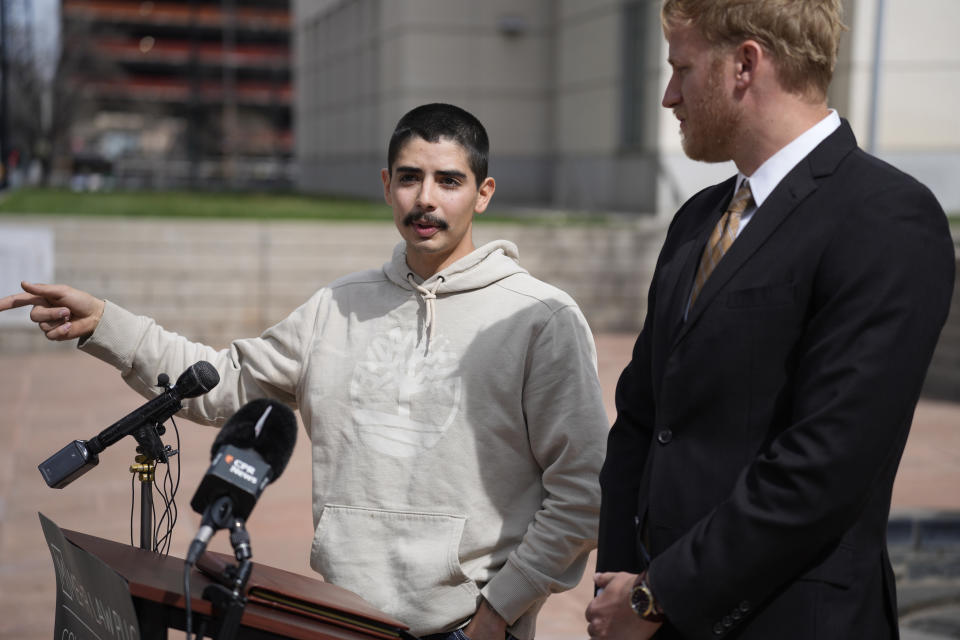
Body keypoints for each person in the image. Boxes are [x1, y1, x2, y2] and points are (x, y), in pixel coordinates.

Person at [2, 103, 609, 640]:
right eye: (409, 178)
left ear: (483, 192)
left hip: (464, 628)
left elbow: (583, 491)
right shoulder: (335, 306)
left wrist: (499, 611)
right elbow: (218, 382)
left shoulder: (540, 318)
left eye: (449, 180)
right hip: (335, 618)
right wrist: (107, 323)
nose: (426, 198)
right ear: (386, 185)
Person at [585, 1, 955, 639]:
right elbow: (644, 421)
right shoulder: (698, 218)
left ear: (745, 65)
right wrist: (621, 590)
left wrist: (657, 595)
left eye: (682, 69)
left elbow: (826, 462)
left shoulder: (886, 217)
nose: (670, 96)